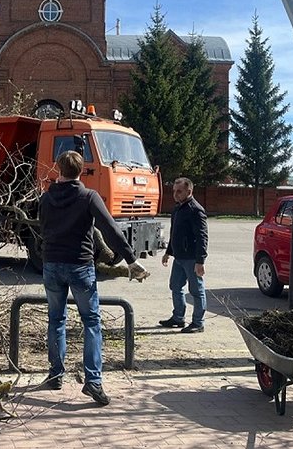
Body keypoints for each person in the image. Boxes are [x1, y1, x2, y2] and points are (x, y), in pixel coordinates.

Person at [38, 150, 150, 406]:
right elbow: (110, 228)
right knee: (91, 322)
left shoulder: (46, 198)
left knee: (56, 319)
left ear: (58, 169)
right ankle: (93, 381)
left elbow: (42, 227)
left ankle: (55, 374)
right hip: (79, 265)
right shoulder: (88, 196)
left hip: (52, 264)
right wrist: (131, 260)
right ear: (81, 170)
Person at [159, 177, 208, 334]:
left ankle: (198, 323)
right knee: (175, 286)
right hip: (179, 258)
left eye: (179, 191)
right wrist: (168, 252)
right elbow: (175, 233)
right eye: (174, 191)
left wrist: (200, 261)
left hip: (192, 258)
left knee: (196, 290)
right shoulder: (178, 208)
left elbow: (202, 237)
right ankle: (178, 317)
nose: (175, 194)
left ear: (189, 191)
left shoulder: (195, 210)